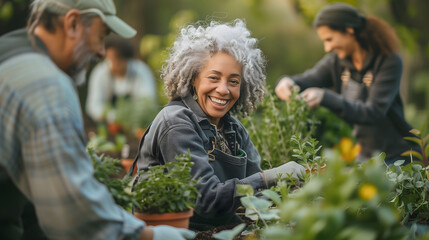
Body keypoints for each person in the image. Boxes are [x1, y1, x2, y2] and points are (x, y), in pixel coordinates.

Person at [0, 0, 194, 239]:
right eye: (101, 36)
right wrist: (151, 236)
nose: (102, 52)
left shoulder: (9, 50)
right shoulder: (45, 85)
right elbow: (71, 211)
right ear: (72, 24)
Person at [133, 19, 305, 230]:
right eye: (213, 78)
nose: (223, 90)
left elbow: (257, 195)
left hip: (221, 231)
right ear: (194, 78)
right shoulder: (176, 123)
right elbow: (206, 199)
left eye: (233, 81)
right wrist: (270, 176)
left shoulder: (233, 129)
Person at [275, 3, 416, 164]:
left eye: (329, 39)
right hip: (366, 154)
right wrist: (286, 81)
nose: (327, 48)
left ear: (349, 31)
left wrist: (324, 96)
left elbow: (372, 112)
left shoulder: (388, 61)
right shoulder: (337, 62)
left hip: (399, 156)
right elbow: (306, 80)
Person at [85, 38, 158, 123]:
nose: (112, 64)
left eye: (116, 60)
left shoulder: (141, 72)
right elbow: (93, 106)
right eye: (109, 59)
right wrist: (113, 116)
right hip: (107, 126)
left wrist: (129, 118)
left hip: (136, 125)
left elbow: (149, 103)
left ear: (126, 59)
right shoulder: (100, 73)